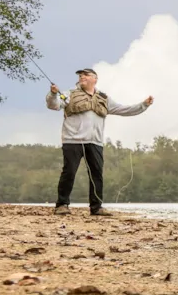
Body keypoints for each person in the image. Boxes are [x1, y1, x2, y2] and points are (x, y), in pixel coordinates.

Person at [46, 68, 153, 216]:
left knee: (97, 175)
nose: (82, 77)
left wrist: (144, 105)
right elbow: (53, 105)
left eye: (86, 75)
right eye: (80, 75)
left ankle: (96, 208)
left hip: (95, 142)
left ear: (95, 79)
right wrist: (52, 93)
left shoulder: (104, 98)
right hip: (72, 141)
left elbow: (124, 109)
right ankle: (62, 205)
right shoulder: (69, 94)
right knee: (69, 172)